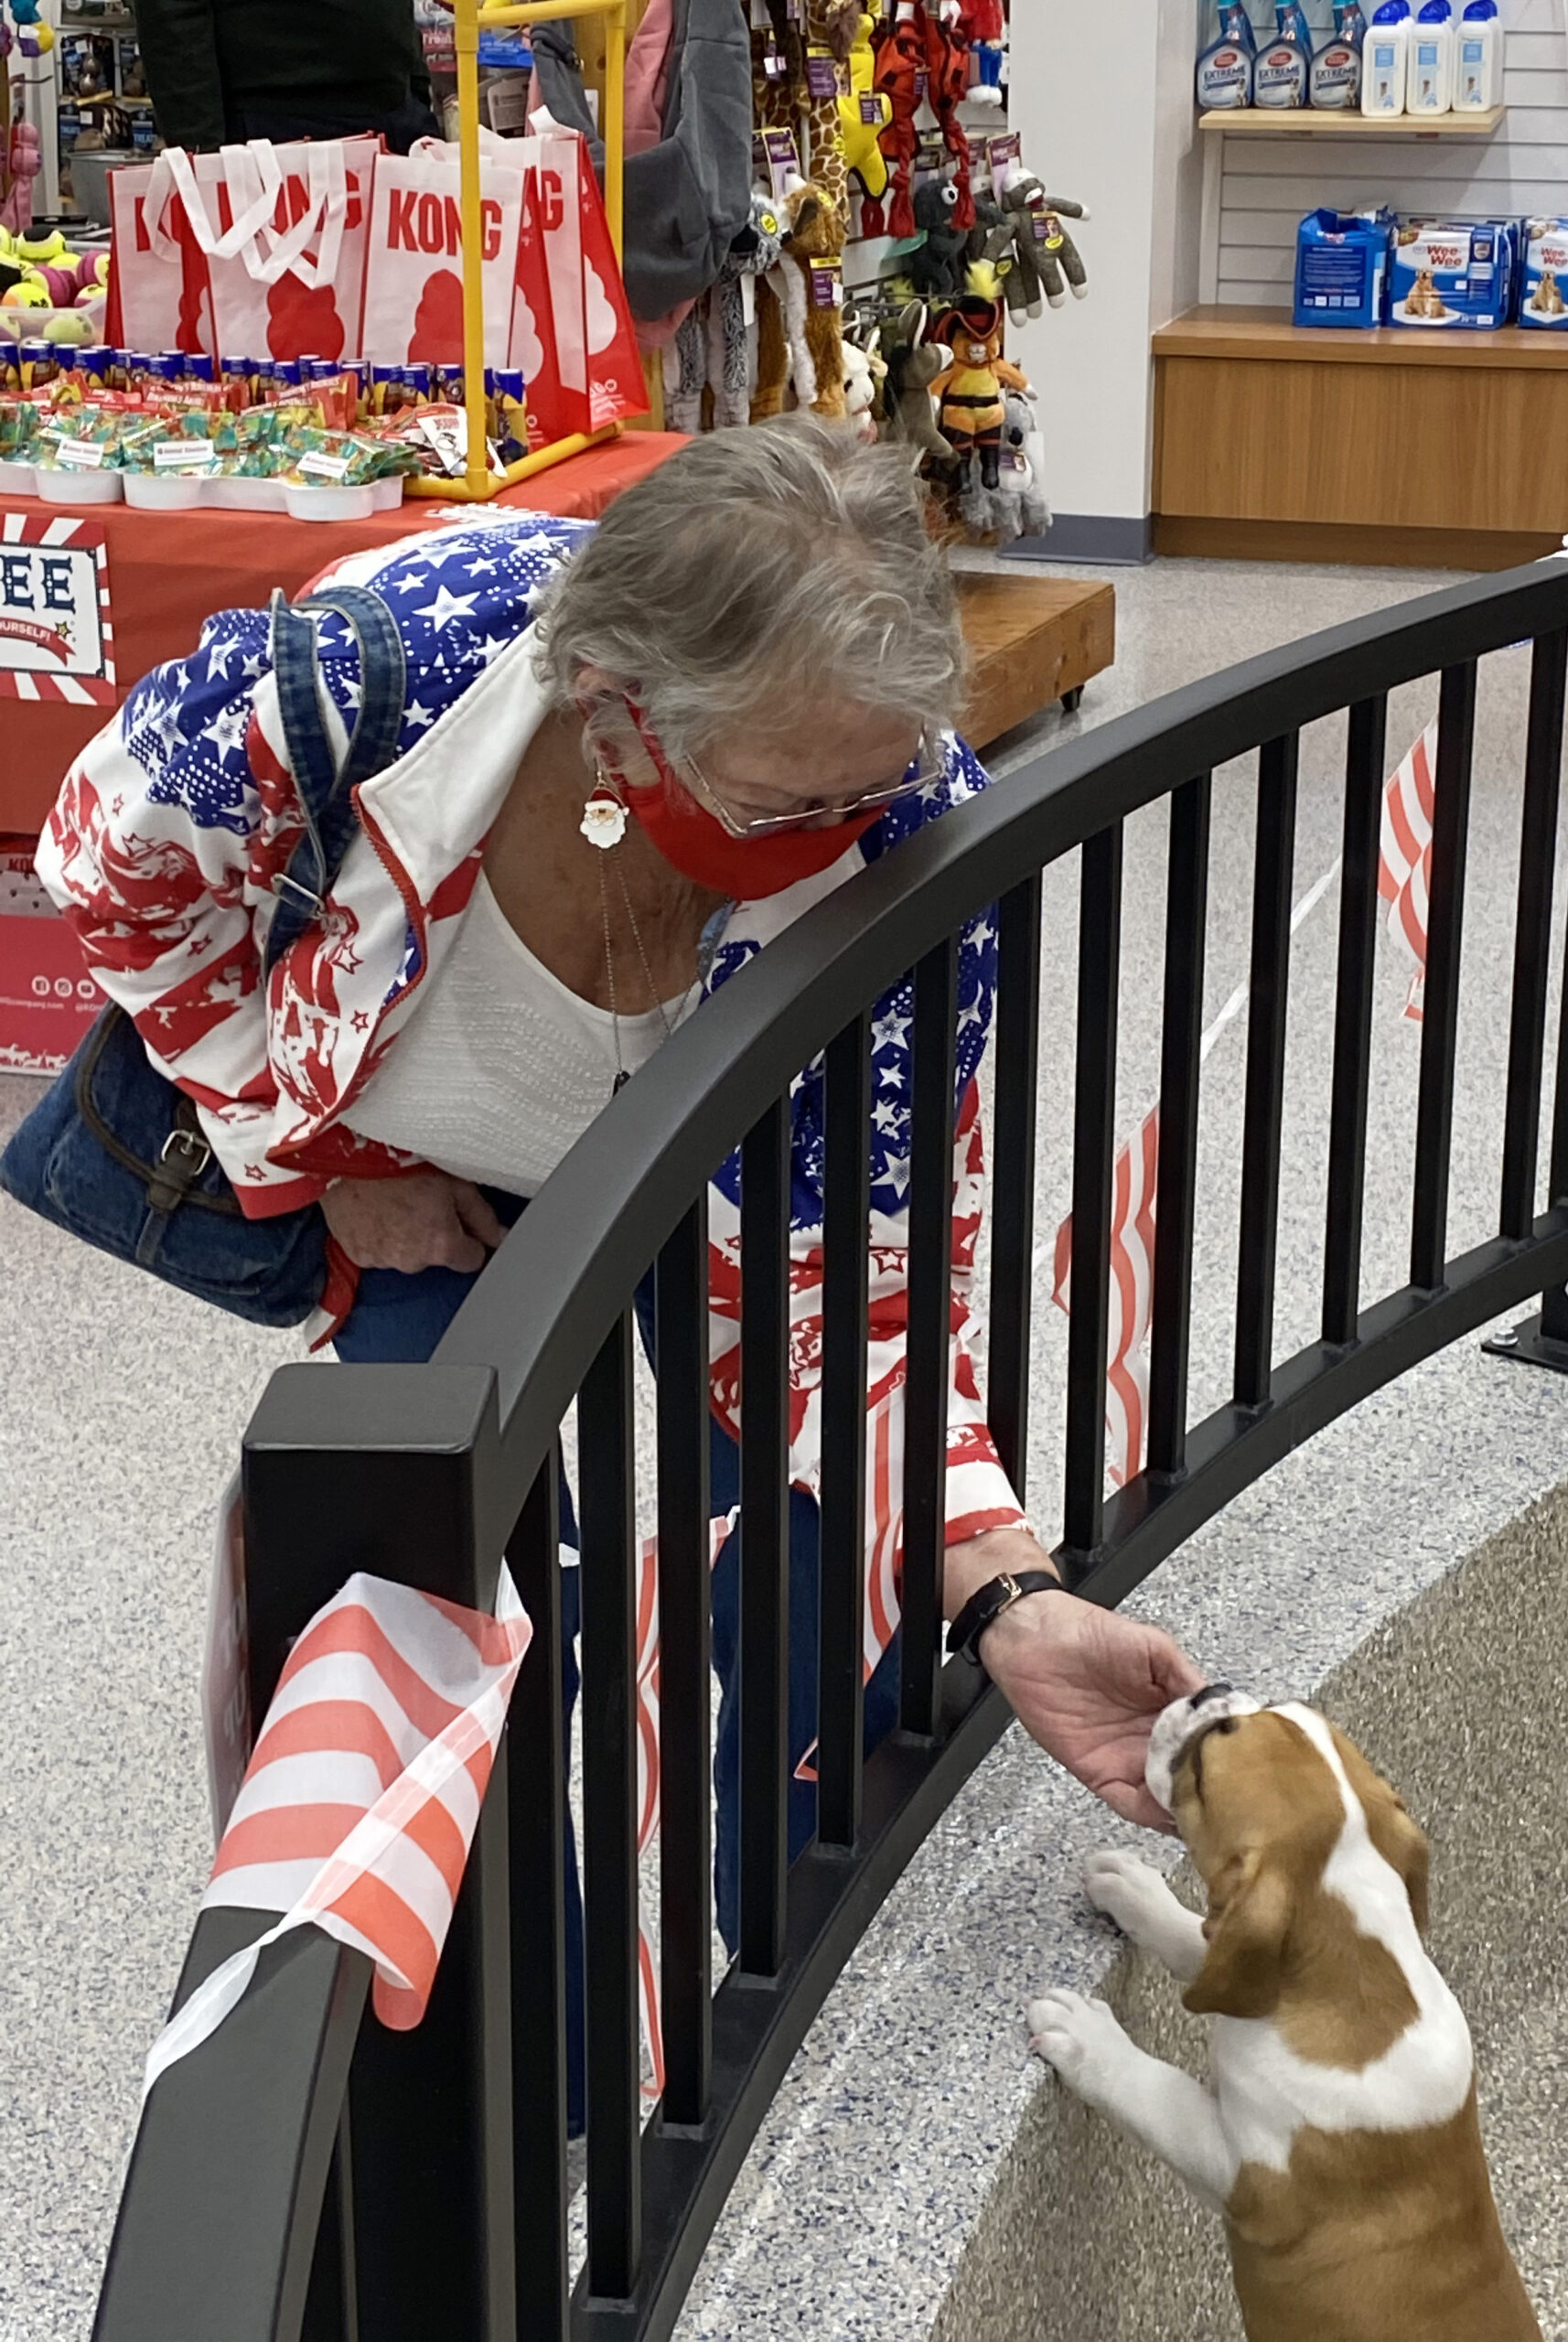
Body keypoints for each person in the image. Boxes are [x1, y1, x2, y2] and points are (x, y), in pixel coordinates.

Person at [35, 418, 1202, 2127]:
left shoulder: (909, 862)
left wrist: (1006, 1587)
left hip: (724, 1197)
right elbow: (119, 872)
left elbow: (850, 1308)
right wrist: (324, 1161)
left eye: (877, 787)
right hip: (430, 1178)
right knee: (432, 1578)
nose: (837, 839)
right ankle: (471, 2070)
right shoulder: (367, 669)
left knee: (810, 1591)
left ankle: (738, 1988)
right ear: (612, 703)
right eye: (787, 799)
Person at [133, 0, 438, 155]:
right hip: (271, 128)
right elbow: (168, 12)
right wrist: (198, 150)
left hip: (397, 114)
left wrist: (414, 81)